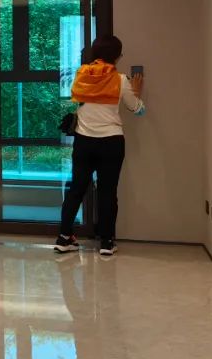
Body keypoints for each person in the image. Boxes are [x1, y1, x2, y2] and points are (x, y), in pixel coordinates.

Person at [54, 35, 144, 256]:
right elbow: (138, 109)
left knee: (76, 189)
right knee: (107, 192)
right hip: (111, 142)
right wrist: (137, 91)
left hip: (84, 141)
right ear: (117, 56)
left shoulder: (81, 75)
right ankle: (106, 242)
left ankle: (64, 237)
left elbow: (77, 99)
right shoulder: (120, 80)